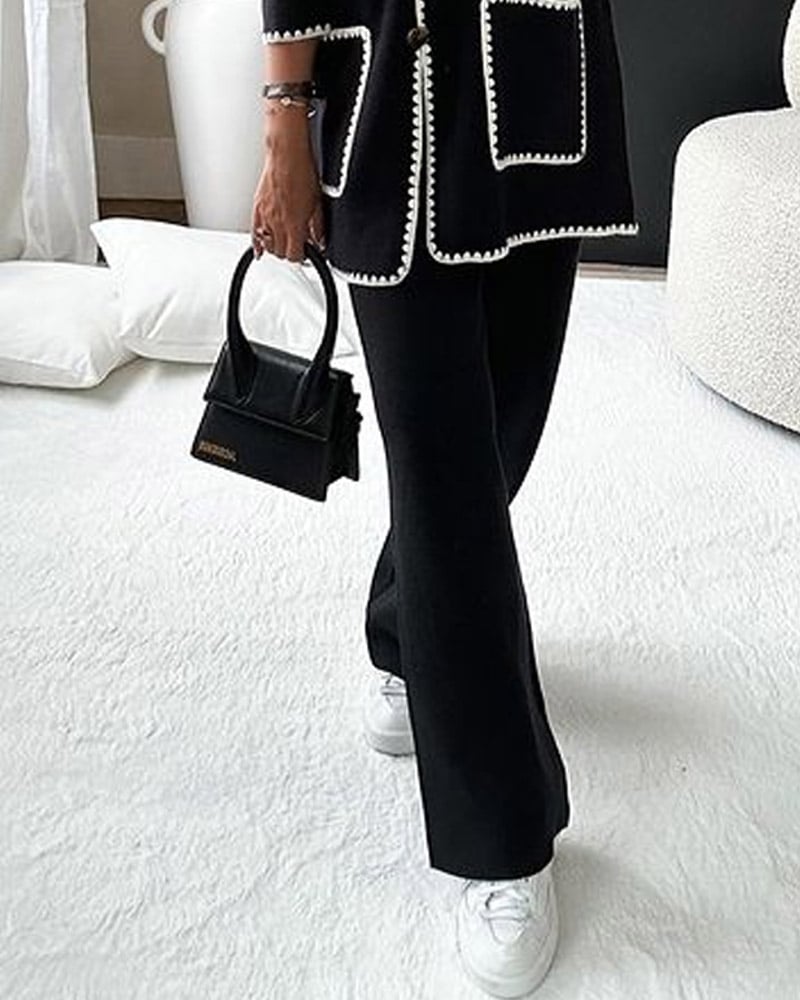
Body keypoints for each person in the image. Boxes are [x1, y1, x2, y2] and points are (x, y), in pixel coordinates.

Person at [253, 3, 639, 996]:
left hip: (538, 81)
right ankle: (502, 839)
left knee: (500, 438)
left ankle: (402, 634)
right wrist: (284, 115)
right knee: (445, 481)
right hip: (387, 102)